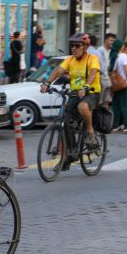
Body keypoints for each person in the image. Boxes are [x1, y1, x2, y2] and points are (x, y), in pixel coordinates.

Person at [40, 32, 101, 167]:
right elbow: (57, 71)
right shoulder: (70, 60)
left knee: (82, 107)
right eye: (72, 46)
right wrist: (47, 82)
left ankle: (90, 131)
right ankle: (72, 152)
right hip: (75, 94)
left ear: (85, 47)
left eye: (77, 46)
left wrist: (86, 86)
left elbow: (93, 73)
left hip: (91, 93)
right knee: (65, 120)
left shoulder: (92, 58)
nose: (73, 48)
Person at [109, 39, 127, 133]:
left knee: (117, 106)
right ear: (121, 47)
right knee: (126, 106)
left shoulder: (115, 57)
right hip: (124, 85)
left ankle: (116, 125)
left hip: (116, 85)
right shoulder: (123, 56)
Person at [97, 33, 116, 107]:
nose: (112, 42)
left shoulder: (111, 51)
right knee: (100, 102)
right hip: (101, 79)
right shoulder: (100, 51)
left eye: (113, 41)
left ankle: (105, 117)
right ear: (105, 40)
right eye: (111, 40)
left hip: (108, 80)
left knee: (107, 101)